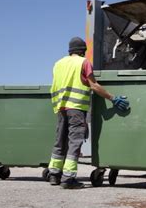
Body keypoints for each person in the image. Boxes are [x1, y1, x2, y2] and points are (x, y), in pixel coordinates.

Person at [48, 37, 129, 189]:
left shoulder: (58, 64)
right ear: (83, 51)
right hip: (76, 107)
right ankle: (68, 179)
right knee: (75, 141)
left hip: (60, 107)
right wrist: (112, 98)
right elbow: (94, 85)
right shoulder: (83, 62)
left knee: (60, 141)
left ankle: (54, 174)